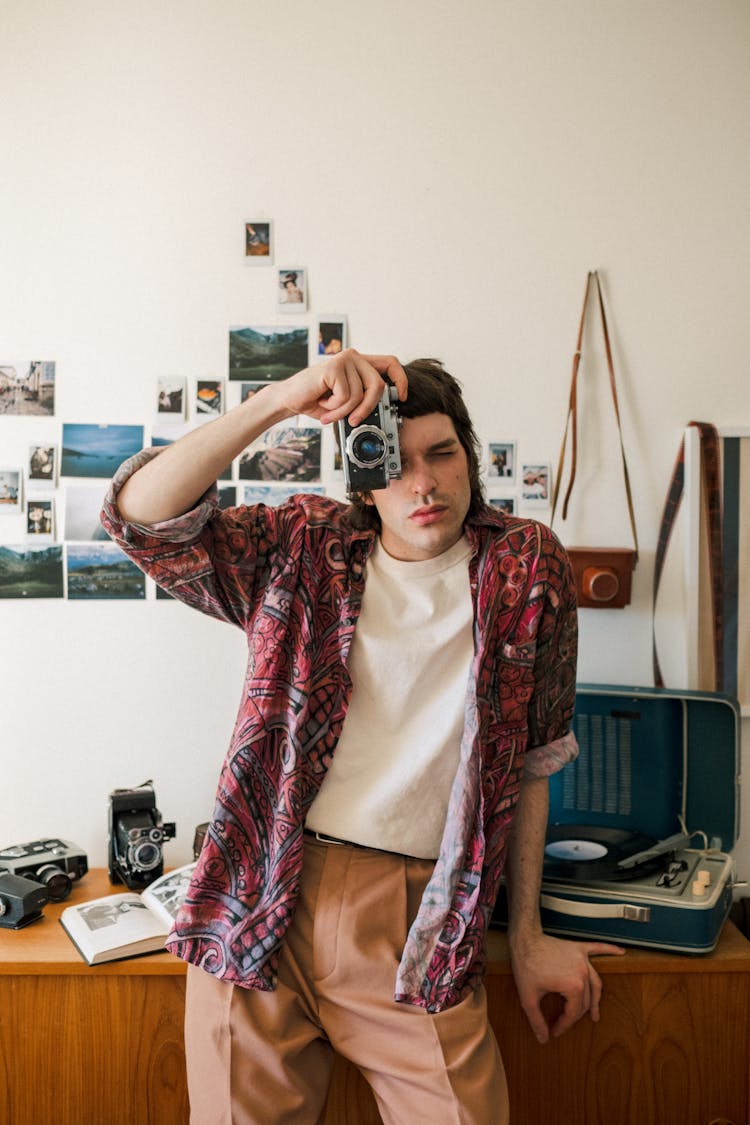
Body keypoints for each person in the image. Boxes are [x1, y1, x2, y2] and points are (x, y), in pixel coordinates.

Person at [101, 350, 623, 1125]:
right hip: (264, 894)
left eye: (443, 454)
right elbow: (140, 520)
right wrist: (282, 398)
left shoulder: (526, 566)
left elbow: (538, 759)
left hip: (423, 913)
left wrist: (535, 932)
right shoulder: (303, 546)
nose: (424, 483)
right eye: (393, 461)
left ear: (469, 457)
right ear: (359, 473)